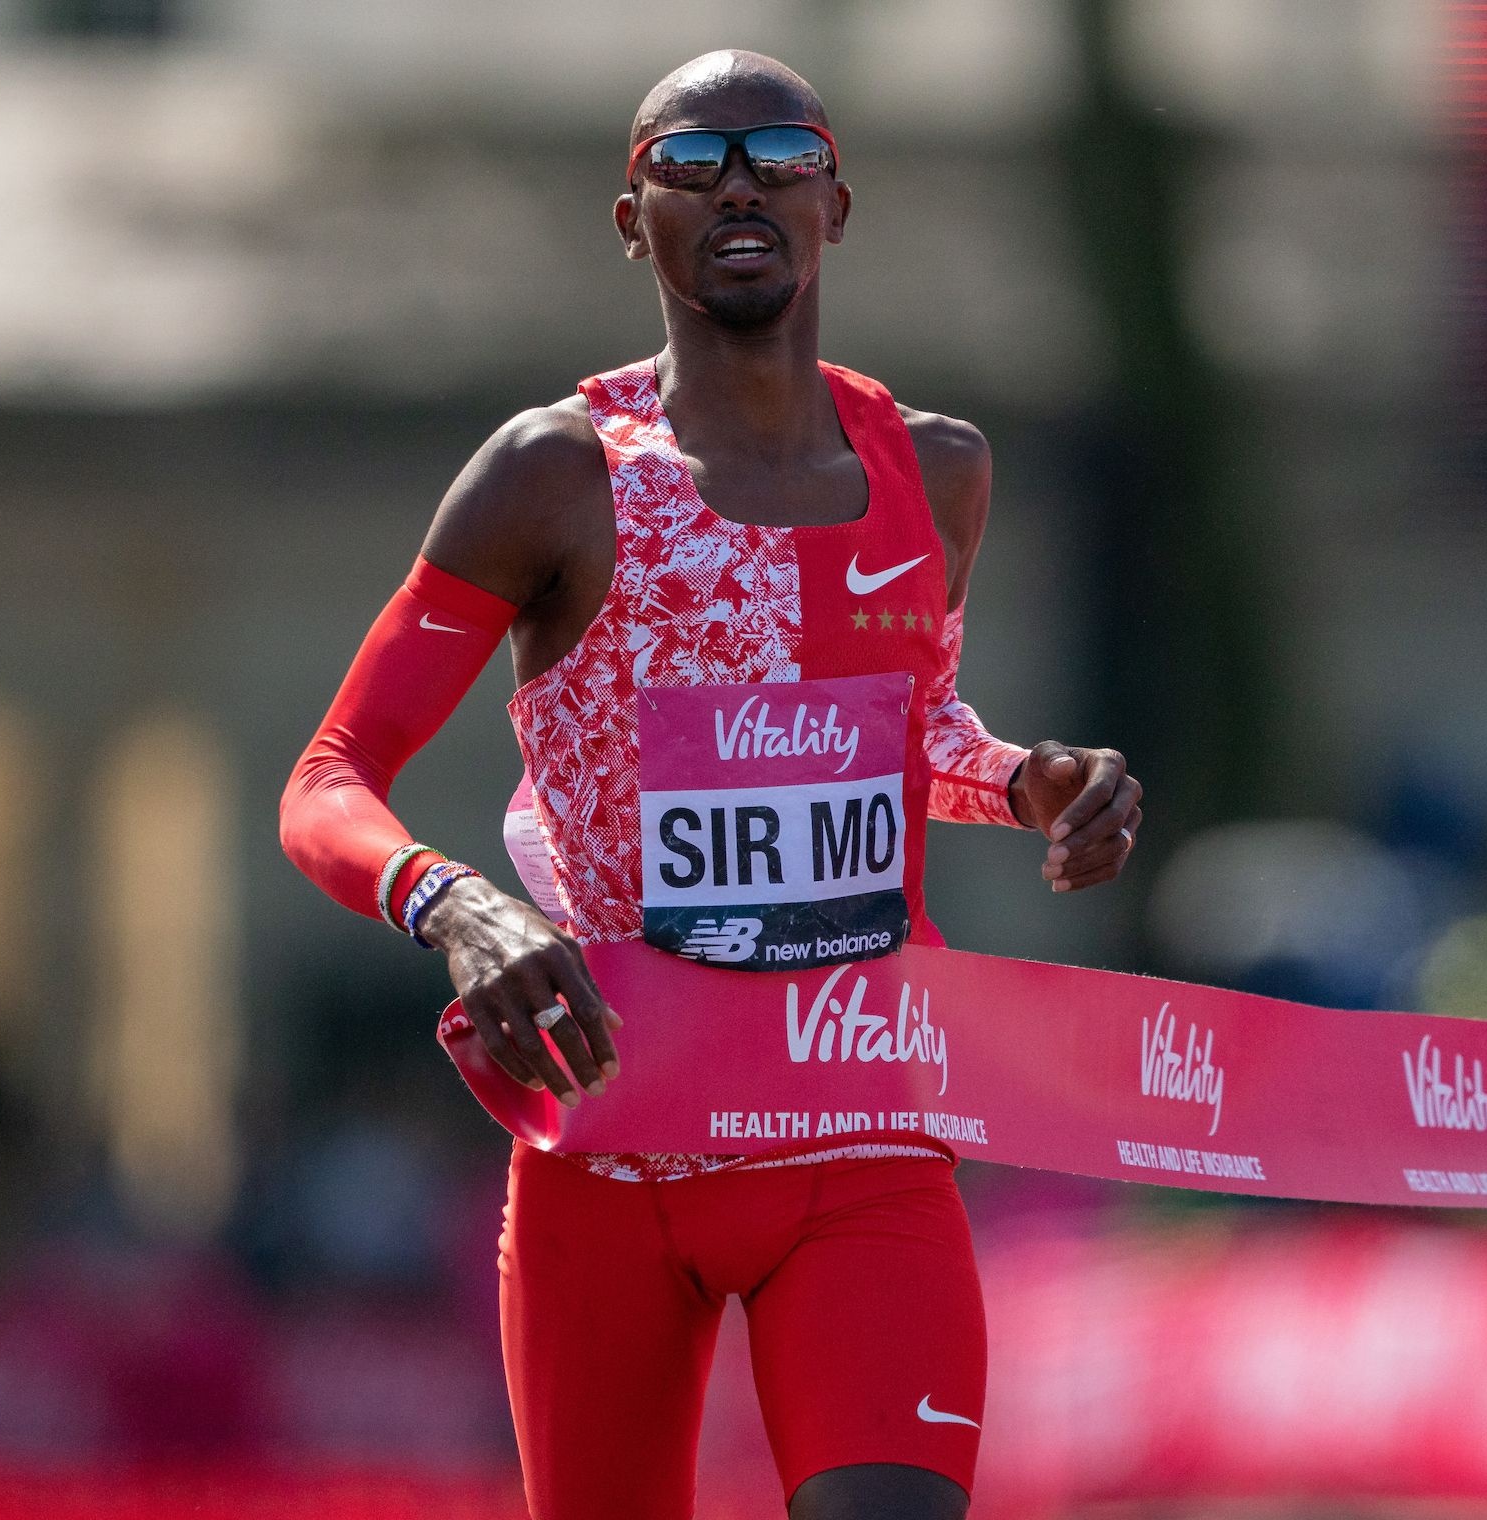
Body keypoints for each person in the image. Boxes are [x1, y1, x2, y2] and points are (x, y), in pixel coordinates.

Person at [281, 49, 1142, 1520]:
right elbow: (328, 779)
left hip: (861, 1136)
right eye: (690, 163)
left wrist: (1028, 785)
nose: (736, 183)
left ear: (836, 204)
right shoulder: (553, 479)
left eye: (778, 153)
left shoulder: (932, 473)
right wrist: (456, 905)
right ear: (634, 223)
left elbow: (913, 735)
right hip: (616, 1148)